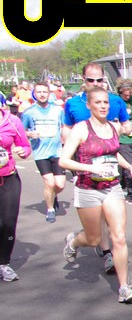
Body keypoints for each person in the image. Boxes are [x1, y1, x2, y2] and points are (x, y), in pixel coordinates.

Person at [59, 87, 132, 303]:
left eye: (105, 102)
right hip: (88, 189)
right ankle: (74, 242)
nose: (103, 106)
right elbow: (63, 160)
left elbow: (113, 154)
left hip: (112, 187)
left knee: (119, 237)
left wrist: (130, 167)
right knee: (93, 238)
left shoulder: (114, 127)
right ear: (89, 105)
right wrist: (91, 168)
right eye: (98, 102)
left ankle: (124, 288)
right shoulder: (81, 129)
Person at [63, 63, 130, 275]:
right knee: (96, 225)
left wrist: (122, 130)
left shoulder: (115, 101)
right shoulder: (73, 104)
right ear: (83, 79)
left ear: (104, 79)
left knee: (116, 227)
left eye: (99, 80)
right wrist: (77, 147)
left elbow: (126, 126)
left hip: (110, 166)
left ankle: (110, 255)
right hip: (84, 167)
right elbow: (66, 130)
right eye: (90, 80)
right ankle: (98, 246)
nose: (95, 83)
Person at [21, 80, 65, 221]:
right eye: (39, 92)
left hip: (57, 151)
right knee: (49, 182)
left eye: (44, 92)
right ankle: (50, 210)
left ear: (49, 93)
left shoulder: (58, 110)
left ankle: (52, 194)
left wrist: (64, 137)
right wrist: (29, 134)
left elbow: (64, 127)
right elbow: (21, 131)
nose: (42, 94)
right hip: (41, 153)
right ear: (34, 94)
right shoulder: (29, 112)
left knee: (60, 184)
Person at [0, 102, 31, 281]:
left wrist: (23, 151)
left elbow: (25, 146)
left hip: (9, 177)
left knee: (8, 223)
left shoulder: (12, 121)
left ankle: (4, 263)